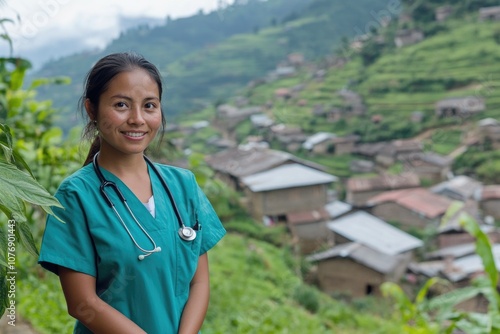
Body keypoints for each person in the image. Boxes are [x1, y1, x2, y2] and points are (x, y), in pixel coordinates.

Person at [38, 52, 226, 334]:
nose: (137, 119)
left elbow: (198, 282)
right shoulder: (75, 196)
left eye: (149, 105)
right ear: (92, 109)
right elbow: (82, 303)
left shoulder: (183, 185)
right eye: (121, 105)